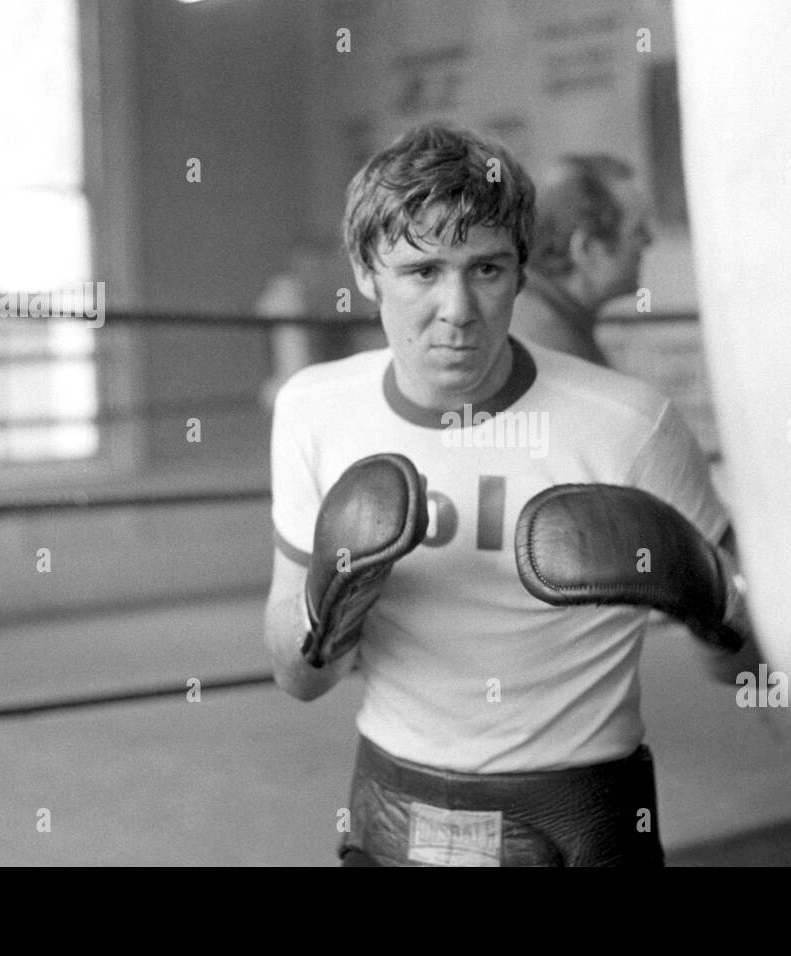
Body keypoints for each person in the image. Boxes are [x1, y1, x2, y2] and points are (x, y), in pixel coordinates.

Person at [262, 123, 752, 866]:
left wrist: (713, 601)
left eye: (485, 269)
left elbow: (748, 669)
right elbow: (298, 680)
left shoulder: (631, 425)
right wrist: (326, 609)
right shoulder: (314, 409)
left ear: (522, 272)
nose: (457, 308)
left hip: (585, 819)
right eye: (422, 271)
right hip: (389, 812)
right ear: (366, 271)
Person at [509, 154, 653, 366]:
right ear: (587, 248)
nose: (649, 241)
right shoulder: (548, 347)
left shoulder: (534, 316)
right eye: (638, 230)